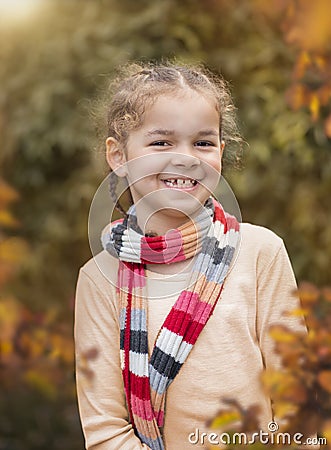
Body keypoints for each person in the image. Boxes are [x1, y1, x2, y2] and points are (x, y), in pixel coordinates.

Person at [74, 63, 310, 449]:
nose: (185, 158)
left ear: (221, 151)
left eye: (202, 143)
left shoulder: (260, 252)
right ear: (119, 156)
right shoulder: (99, 277)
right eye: (161, 143)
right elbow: (106, 431)